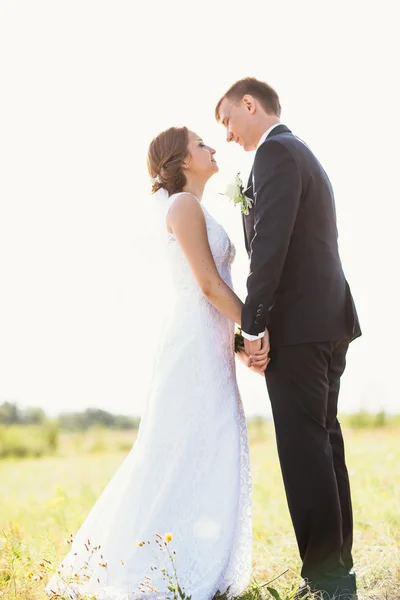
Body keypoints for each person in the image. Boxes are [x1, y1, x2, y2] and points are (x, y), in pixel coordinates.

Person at [46, 126, 268, 600]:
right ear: (184, 160)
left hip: (209, 345)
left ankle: (195, 557)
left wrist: (234, 344)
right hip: (191, 350)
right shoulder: (183, 206)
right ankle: (163, 566)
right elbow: (206, 286)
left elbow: (207, 293)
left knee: (207, 448)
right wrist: (253, 329)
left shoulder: (195, 207)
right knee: (183, 451)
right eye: (202, 144)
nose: (211, 148)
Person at [215, 77, 361, 600]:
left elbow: (270, 249)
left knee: (305, 452)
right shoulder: (301, 152)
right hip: (328, 321)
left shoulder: (276, 154)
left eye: (228, 119)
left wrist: (252, 328)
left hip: (300, 328)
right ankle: (336, 573)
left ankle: (326, 581)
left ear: (250, 104)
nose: (228, 134)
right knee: (323, 445)